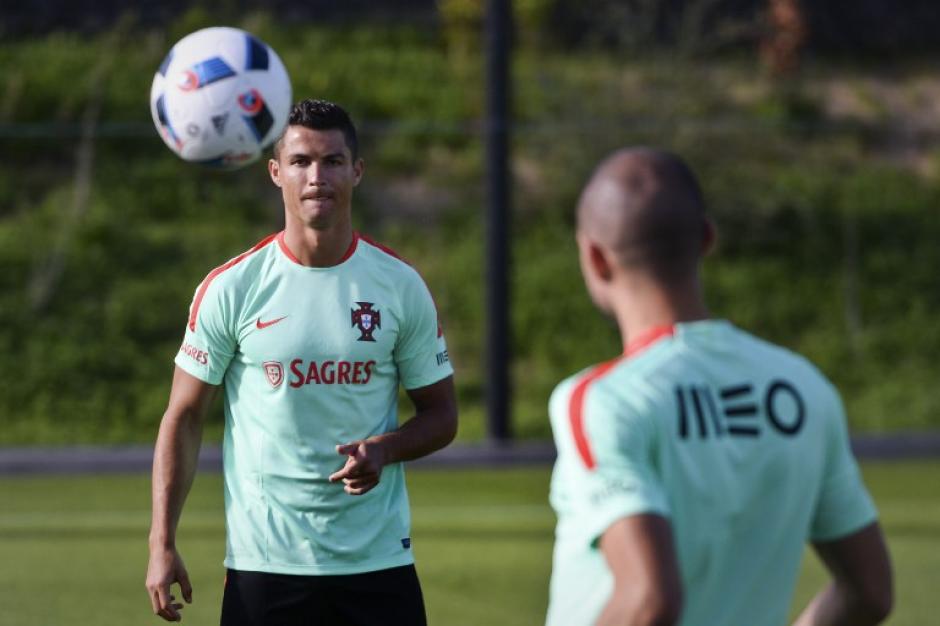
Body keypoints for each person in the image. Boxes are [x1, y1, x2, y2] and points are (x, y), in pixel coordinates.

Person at [546, 148, 893, 626]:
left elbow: (650, 601)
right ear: (706, 239)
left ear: (595, 256)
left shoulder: (604, 400)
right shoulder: (804, 390)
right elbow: (870, 593)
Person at [146, 99, 457, 625]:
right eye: (301, 161)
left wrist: (385, 448)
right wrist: (162, 542)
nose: (318, 176)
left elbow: (442, 414)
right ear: (275, 172)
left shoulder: (399, 286)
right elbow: (184, 415)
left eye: (333, 161)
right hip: (265, 567)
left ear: (356, 172)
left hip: (377, 564)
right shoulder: (233, 288)